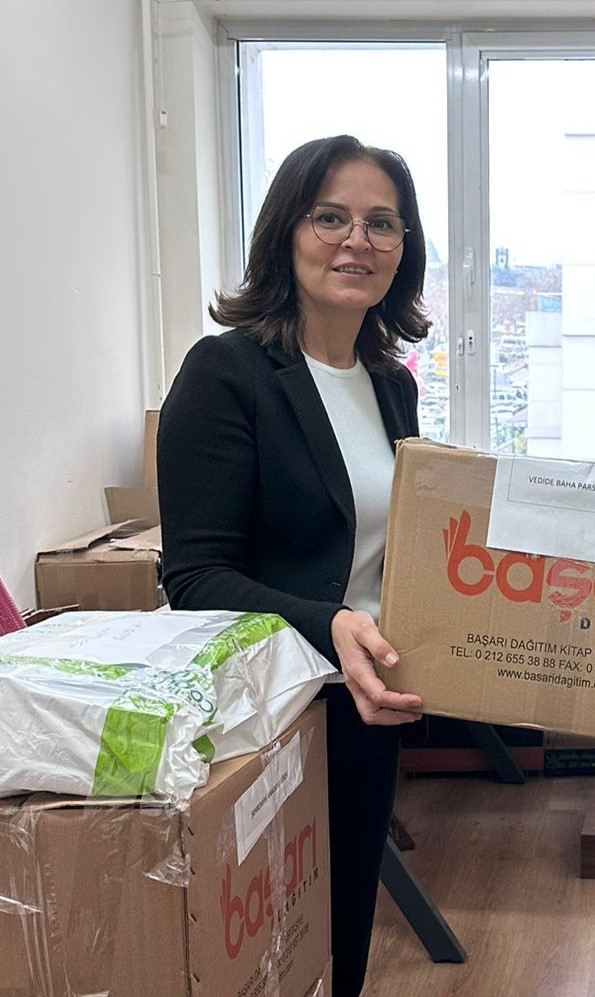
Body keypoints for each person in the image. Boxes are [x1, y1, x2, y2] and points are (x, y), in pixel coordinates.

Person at [157, 134, 430, 996]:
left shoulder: (391, 383)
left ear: (404, 247)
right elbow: (195, 578)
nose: (357, 241)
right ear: (287, 230)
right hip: (263, 715)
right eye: (330, 217)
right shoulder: (226, 372)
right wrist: (332, 622)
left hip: (365, 706)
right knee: (263, 949)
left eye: (382, 223)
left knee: (342, 936)